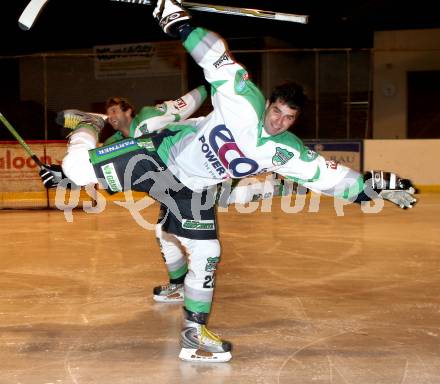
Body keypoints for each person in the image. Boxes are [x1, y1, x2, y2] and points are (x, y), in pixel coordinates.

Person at [39, 0, 416, 363]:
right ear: (269, 103)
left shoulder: (285, 150)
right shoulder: (243, 99)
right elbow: (216, 57)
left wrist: (372, 187)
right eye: (277, 112)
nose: (278, 122)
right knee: (75, 170)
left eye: (288, 118)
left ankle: (194, 332)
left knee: (208, 253)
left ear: (294, 121)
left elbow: (327, 178)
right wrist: (181, 24)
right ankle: (90, 123)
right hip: (159, 157)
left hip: (192, 191)